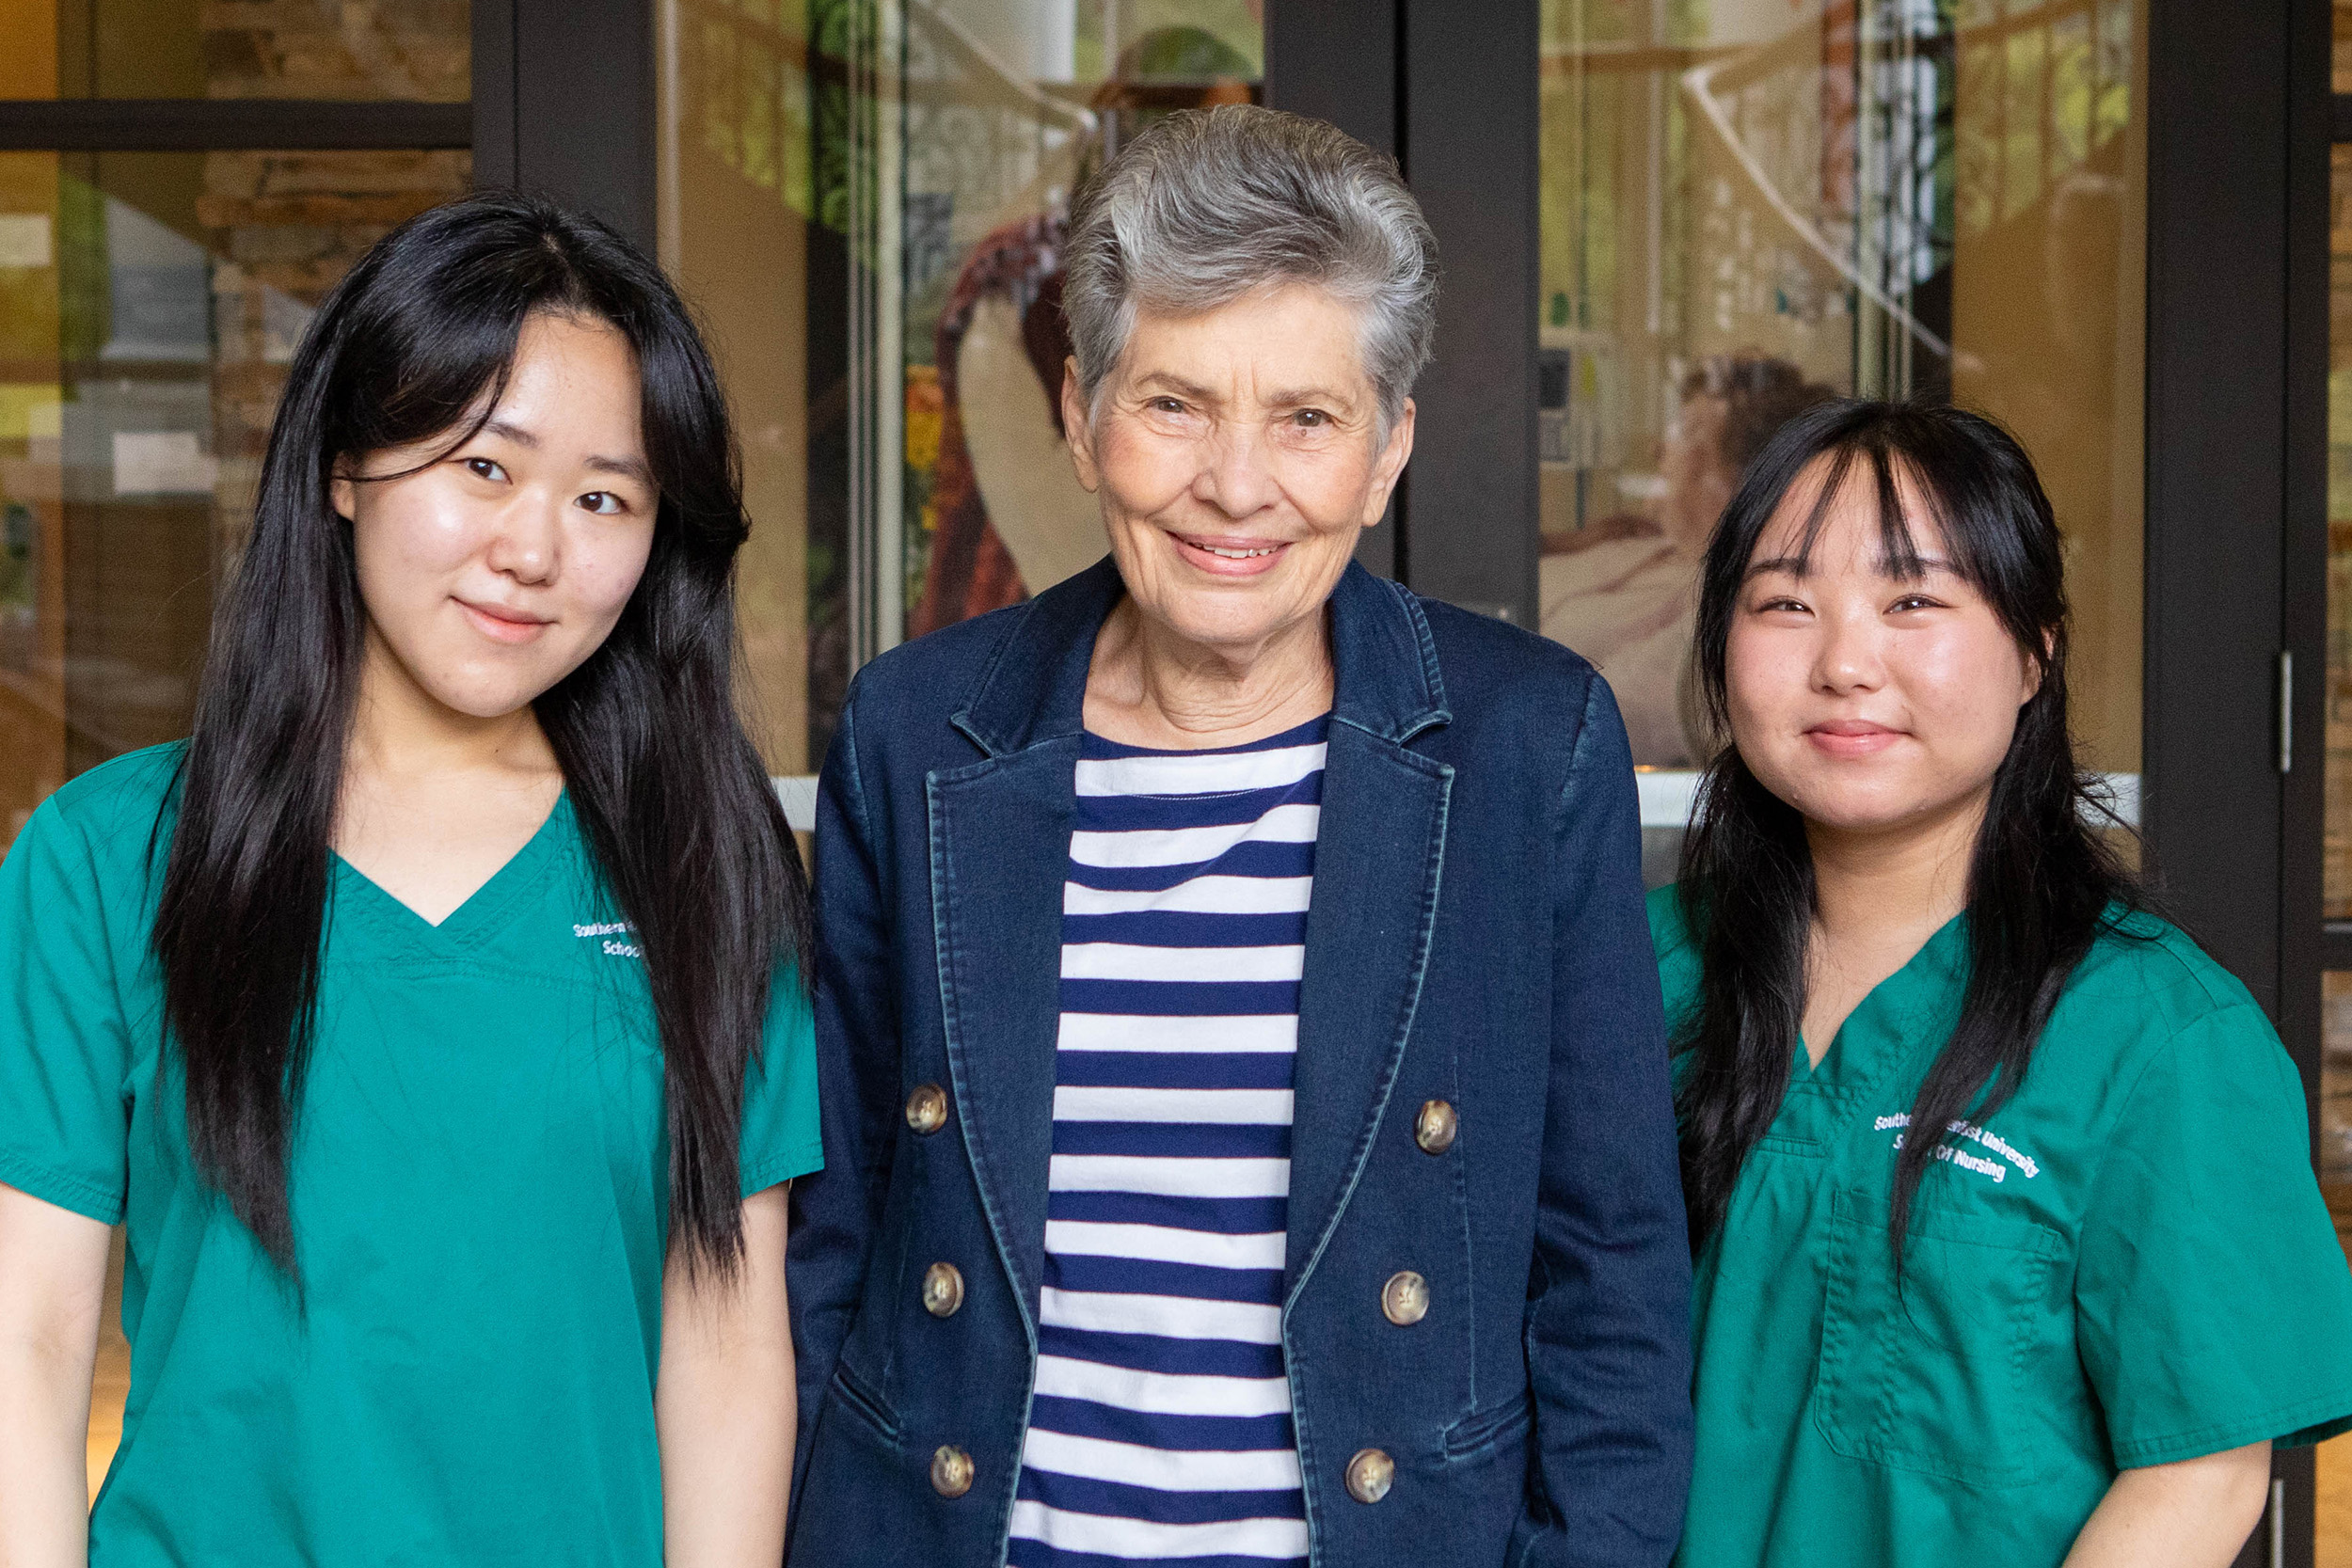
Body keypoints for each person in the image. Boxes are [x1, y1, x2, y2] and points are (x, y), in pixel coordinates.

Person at [786, 105, 1693, 1566]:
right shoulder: (917, 731)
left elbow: (1612, 1273)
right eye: (1175, 404)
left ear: (1389, 451)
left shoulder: (1528, 743)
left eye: (1308, 418)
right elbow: (842, 1229)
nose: (1237, 484)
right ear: (1082, 416)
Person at [0, 193, 820, 1566]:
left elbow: (728, 1349)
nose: (536, 549)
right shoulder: (108, 857)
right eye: (485, 468)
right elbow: (27, 1332)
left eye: (604, 495)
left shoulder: (700, 864)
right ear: (344, 465)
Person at [1656, 398, 2352, 1565]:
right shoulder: (1625, 973)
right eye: (1784, 602)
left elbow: (2195, 1474)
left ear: (2034, 648)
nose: (1842, 661)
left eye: (1912, 600)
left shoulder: (2159, 1037)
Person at [1538, 353, 1833, 765]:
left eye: (1686, 431)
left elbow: (1587, 726)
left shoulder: (1723, 613)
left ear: (1734, 476)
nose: (1661, 450)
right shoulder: (1644, 545)